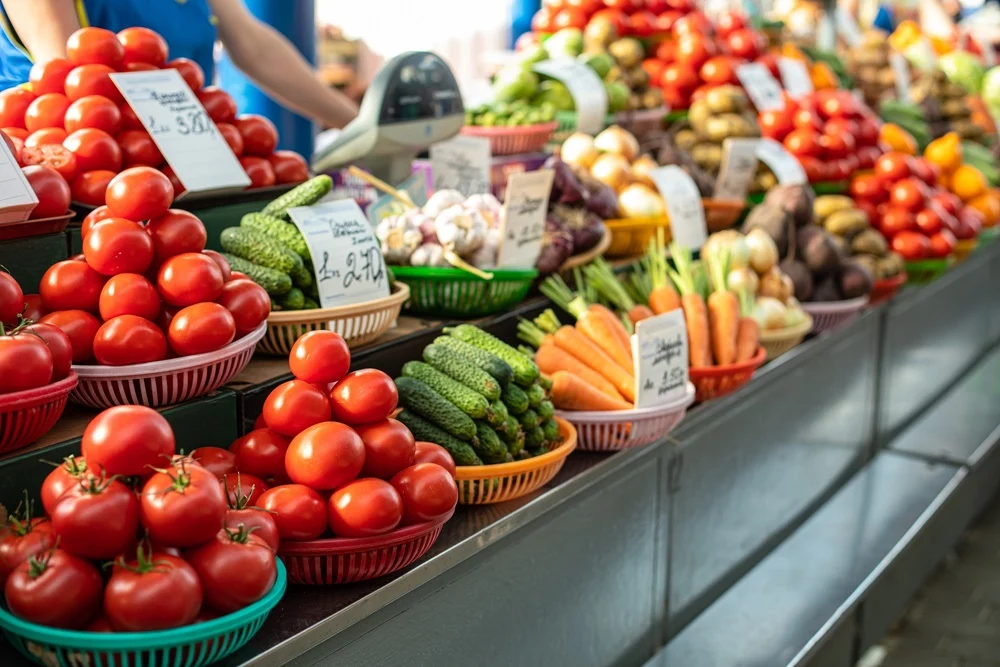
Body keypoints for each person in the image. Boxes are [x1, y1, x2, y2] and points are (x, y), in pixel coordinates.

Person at [0, 0, 359, 129]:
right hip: (65, 178)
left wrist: (358, 124)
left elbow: (254, 46)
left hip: (176, 155)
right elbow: (71, 78)